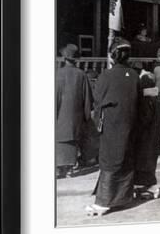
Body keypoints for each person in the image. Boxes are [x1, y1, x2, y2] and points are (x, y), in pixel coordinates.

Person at [86, 38, 140, 216]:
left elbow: (98, 99)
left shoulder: (106, 75)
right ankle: (123, 197)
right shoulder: (134, 75)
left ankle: (104, 201)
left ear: (113, 56)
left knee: (110, 159)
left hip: (111, 122)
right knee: (126, 156)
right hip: (130, 121)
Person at [56, 44, 93, 178]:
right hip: (76, 115)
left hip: (59, 114)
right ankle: (71, 168)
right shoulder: (81, 74)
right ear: (75, 59)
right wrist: (87, 116)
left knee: (59, 140)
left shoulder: (57, 74)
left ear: (64, 58)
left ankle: (59, 168)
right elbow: (87, 98)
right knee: (73, 140)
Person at [133, 61, 160, 200]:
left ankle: (150, 188)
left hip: (146, 136)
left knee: (144, 163)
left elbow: (145, 118)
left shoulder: (146, 99)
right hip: (154, 136)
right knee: (149, 162)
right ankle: (145, 187)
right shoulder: (156, 98)